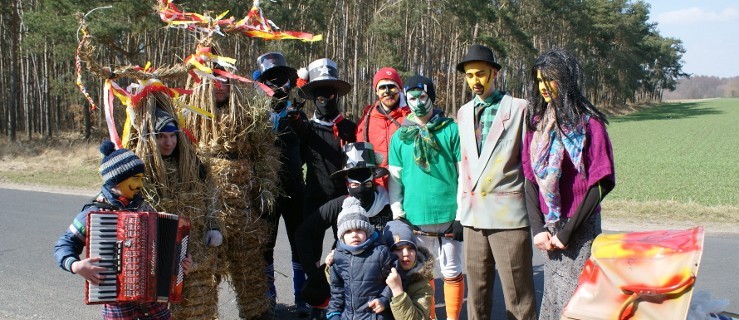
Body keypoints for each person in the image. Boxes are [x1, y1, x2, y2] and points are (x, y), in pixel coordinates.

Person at [522, 48, 615, 319]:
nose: (543, 87)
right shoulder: (537, 124)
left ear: (565, 79)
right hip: (549, 230)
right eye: (539, 81)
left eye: (549, 79)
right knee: (553, 298)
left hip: (580, 229)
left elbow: (602, 181)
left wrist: (568, 232)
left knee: (578, 302)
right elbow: (529, 178)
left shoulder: (590, 124)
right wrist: (538, 229)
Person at [53, 141, 192, 320]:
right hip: (117, 302)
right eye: (136, 178)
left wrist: (180, 261)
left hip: (153, 302)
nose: (140, 184)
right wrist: (76, 265)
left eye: (141, 178)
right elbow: (64, 245)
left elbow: (164, 250)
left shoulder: (145, 209)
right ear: (117, 179)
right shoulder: (94, 213)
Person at [455, 44, 537, 320]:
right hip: (473, 218)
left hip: (508, 217)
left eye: (480, 74)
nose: (475, 81)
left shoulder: (518, 109)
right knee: (476, 295)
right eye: (469, 76)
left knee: (518, 296)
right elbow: (465, 166)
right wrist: (460, 212)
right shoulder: (463, 113)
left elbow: (530, 164)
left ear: (495, 73)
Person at [388, 75, 464, 320]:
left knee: (451, 270)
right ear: (405, 100)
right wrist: (398, 213)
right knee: (423, 274)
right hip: (415, 218)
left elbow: (464, 174)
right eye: (412, 98)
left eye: (423, 96)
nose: (418, 102)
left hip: (449, 215)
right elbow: (395, 179)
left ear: (431, 97)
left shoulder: (451, 129)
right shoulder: (400, 136)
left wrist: (461, 215)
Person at [295, 142, 394, 316]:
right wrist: (313, 272)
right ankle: (328, 310)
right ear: (347, 182)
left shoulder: (390, 205)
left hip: (380, 272)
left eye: (365, 181)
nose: (361, 188)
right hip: (346, 269)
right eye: (354, 183)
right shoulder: (339, 204)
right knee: (314, 290)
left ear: (374, 177)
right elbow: (303, 233)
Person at [254, 51, 309, 316]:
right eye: (270, 80)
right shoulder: (254, 117)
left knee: (300, 243)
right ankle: (268, 300)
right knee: (266, 245)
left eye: (282, 78)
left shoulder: (298, 111)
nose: (278, 85)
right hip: (266, 192)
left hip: (295, 189)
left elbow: (311, 150)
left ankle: (302, 299)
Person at [293, 58, 357, 216]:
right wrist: (293, 117)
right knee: (306, 237)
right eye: (321, 99)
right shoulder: (309, 128)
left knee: (345, 239)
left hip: (343, 197)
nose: (326, 103)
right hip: (314, 195)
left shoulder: (350, 128)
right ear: (314, 100)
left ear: (336, 97)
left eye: (330, 98)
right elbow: (299, 129)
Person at [326, 197, 395, 320]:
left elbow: (395, 282)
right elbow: (337, 290)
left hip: (375, 316)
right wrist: (334, 314)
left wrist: (384, 300)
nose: (354, 235)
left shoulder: (380, 252)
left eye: (359, 229)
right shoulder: (339, 256)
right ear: (341, 236)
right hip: (348, 316)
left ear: (367, 231)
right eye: (348, 231)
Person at [356, 67, 410, 188]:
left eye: (391, 86)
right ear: (376, 91)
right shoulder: (366, 120)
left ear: (399, 89)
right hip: (377, 188)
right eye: (382, 87)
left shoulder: (411, 117)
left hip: (406, 186)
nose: (387, 91)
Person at [382, 220, 435, 320]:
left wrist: (397, 290)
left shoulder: (422, 283)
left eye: (410, 248)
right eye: (398, 249)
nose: (405, 253)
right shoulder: (377, 275)